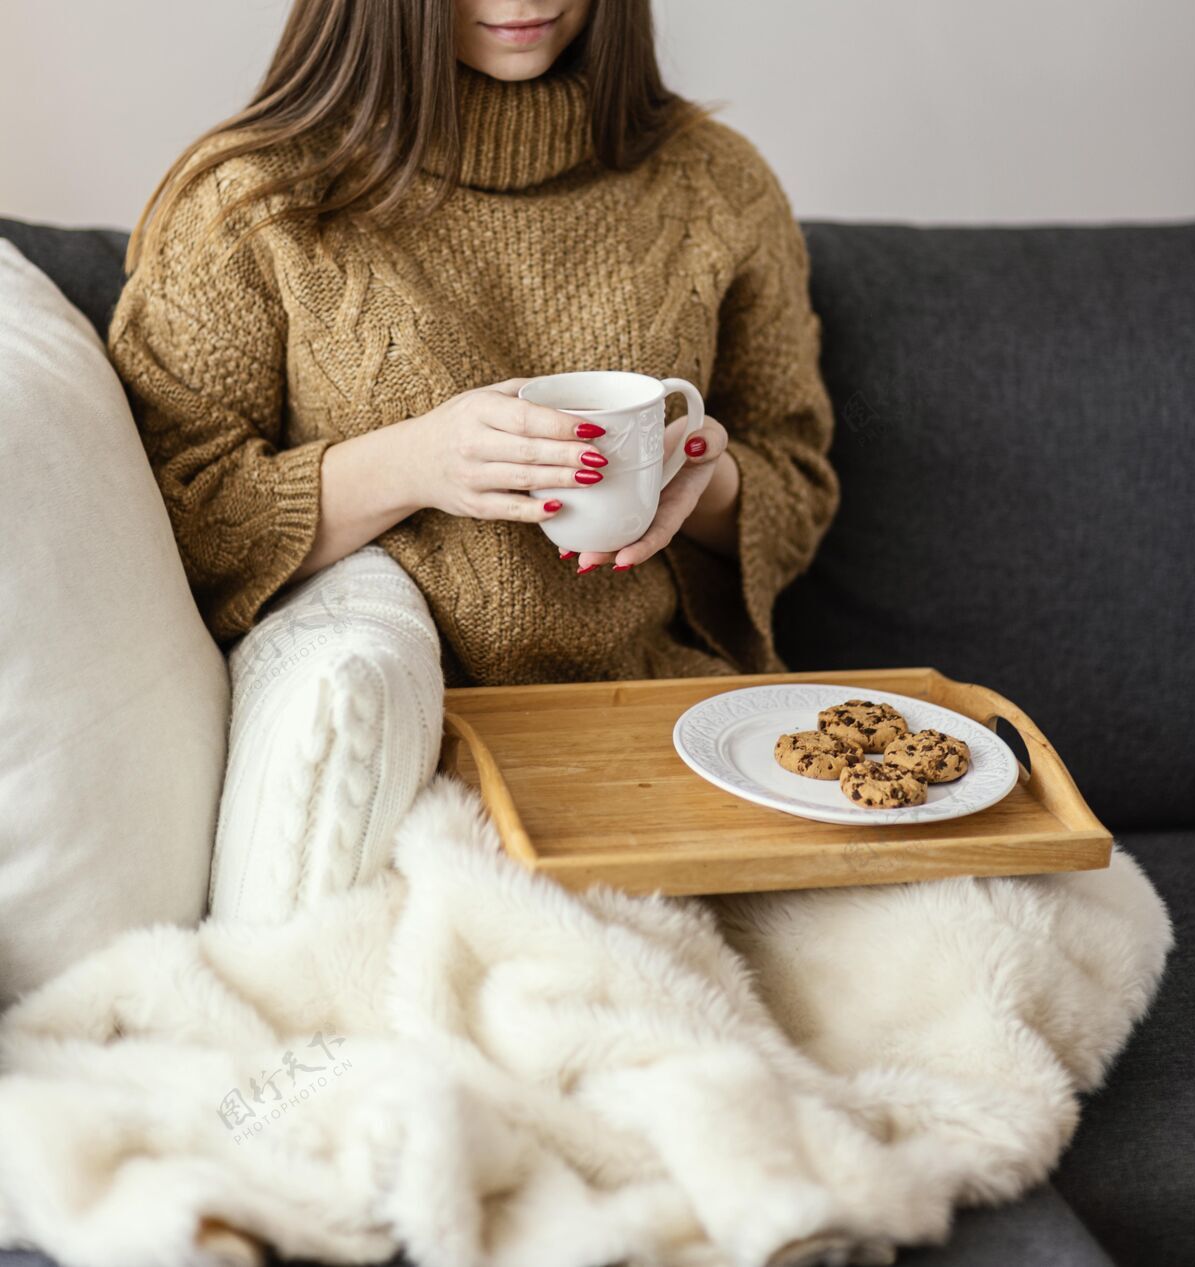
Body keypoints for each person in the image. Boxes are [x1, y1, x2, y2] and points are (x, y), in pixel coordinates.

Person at [107, 0, 839, 906]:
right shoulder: (251, 197)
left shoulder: (717, 181)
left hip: (671, 739)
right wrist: (416, 464)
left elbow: (799, 479)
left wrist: (703, 474)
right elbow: (171, 517)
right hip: (403, 771)